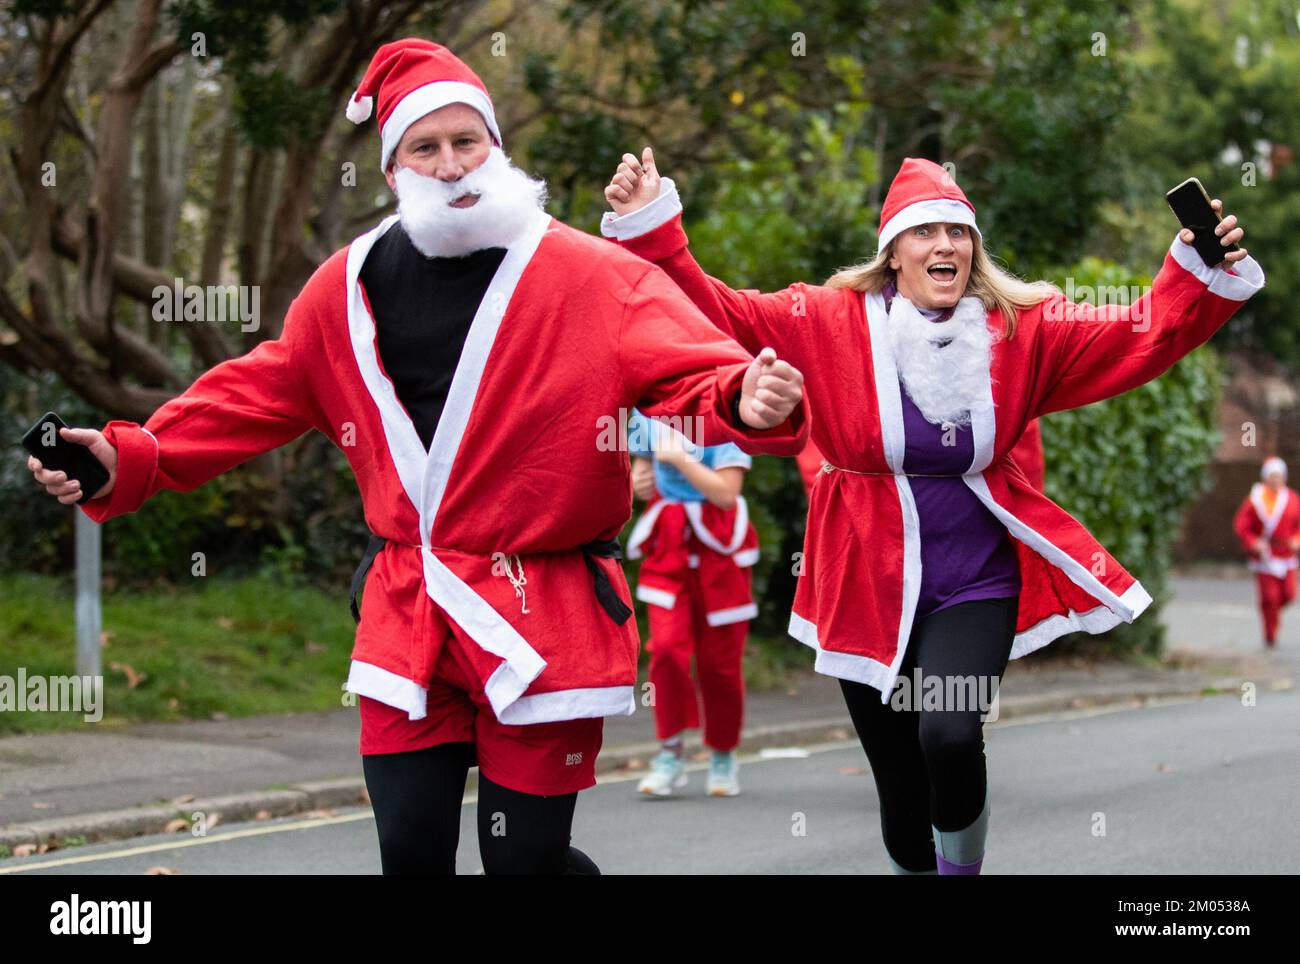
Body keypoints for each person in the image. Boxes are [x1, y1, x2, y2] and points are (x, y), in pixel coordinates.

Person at [24, 39, 808, 876]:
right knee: (409, 850)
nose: (450, 165)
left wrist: (742, 398)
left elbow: (698, 367)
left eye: (466, 141)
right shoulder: (346, 286)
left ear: (497, 149)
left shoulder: (591, 276)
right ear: (393, 170)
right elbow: (261, 391)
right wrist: (127, 455)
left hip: (543, 608)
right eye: (423, 148)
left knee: (528, 864)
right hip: (410, 607)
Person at [602, 148, 1262, 874]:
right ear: (893, 253)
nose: (944, 244)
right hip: (861, 579)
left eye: (958, 232)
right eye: (925, 232)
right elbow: (716, 314)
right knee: (900, 791)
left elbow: (1138, 333)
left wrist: (1194, 266)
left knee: (948, 733)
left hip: (976, 579)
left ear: (973, 250)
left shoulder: (1022, 328)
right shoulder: (827, 319)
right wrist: (654, 229)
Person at [625, 409, 759, 797]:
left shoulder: (730, 412)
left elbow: (726, 494)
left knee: (720, 663)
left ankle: (722, 753)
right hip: (669, 545)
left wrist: (679, 458)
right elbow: (642, 470)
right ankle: (669, 751)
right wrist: (639, 477)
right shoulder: (648, 410)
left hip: (721, 550)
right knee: (665, 649)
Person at [1233, 456, 1299, 647]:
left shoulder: (1292, 499)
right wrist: (1254, 543)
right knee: (1269, 598)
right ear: (1265, 478)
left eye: (1279, 476)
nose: (1276, 480)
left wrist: (1297, 540)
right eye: (1272, 476)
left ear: (1284, 478)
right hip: (1265, 557)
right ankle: (1270, 634)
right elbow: (1242, 526)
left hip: (1287, 555)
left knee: (1289, 595)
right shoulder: (1255, 500)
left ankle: (1273, 614)